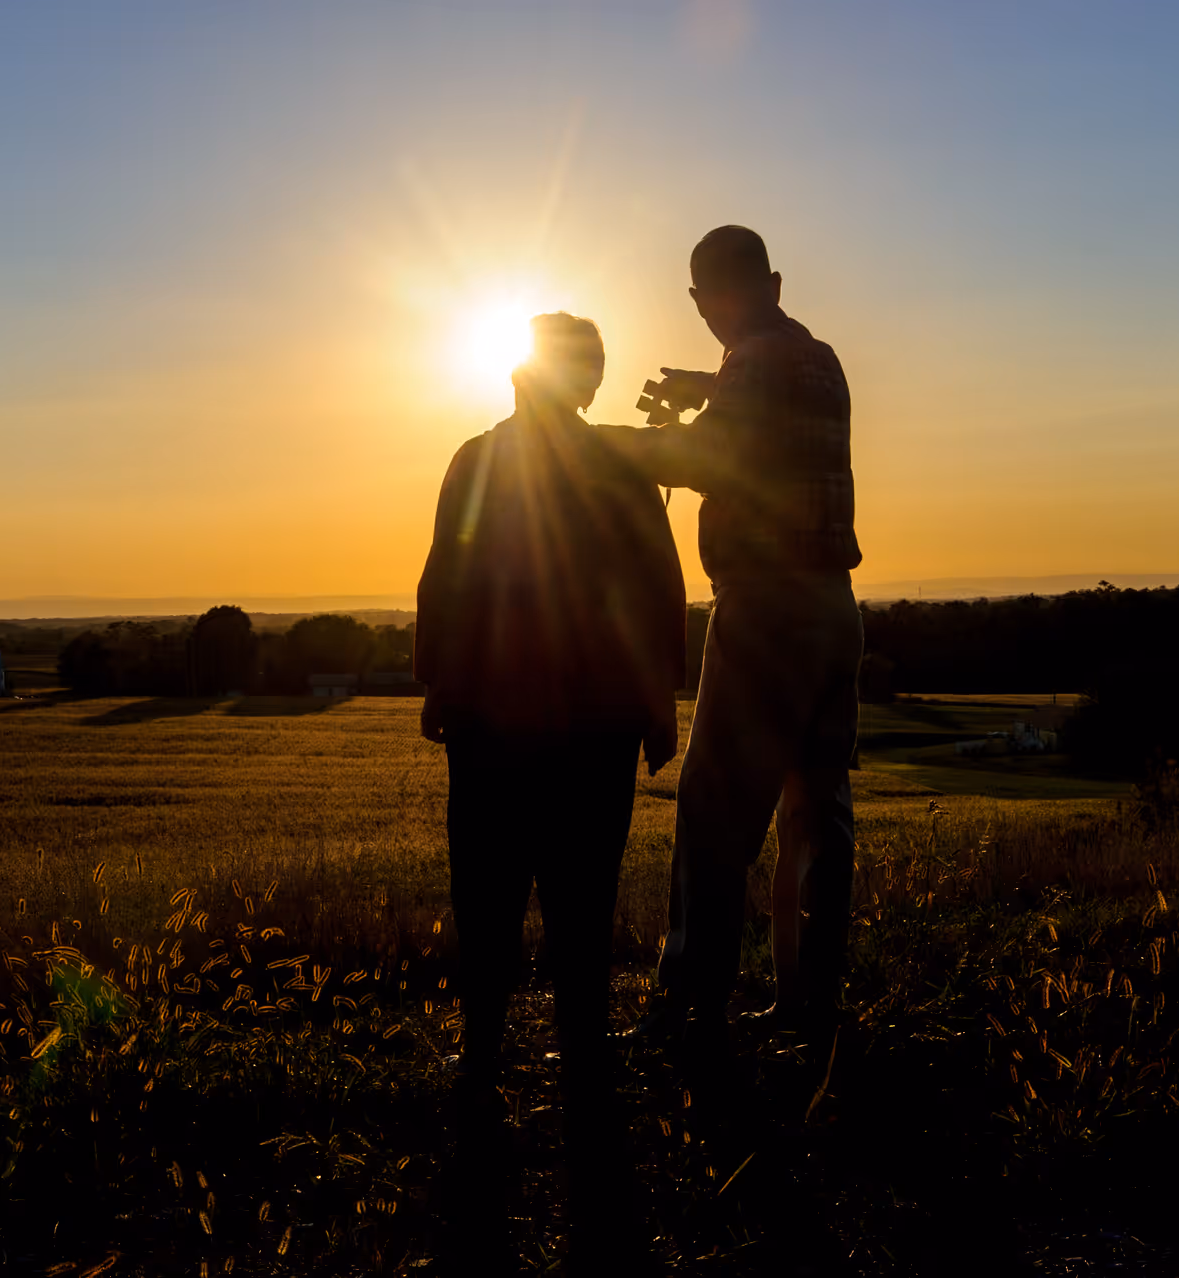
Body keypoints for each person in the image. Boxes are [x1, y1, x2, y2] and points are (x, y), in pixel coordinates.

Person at [415, 311, 686, 1269]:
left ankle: (482, 1065)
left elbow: (446, 575)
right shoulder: (619, 467)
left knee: (485, 896)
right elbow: (659, 587)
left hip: (495, 717)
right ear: (589, 380)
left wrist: (439, 681)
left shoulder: (477, 458)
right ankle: (580, 1064)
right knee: (580, 896)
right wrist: (661, 704)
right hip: (593, 723)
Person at [617, 225, 864, 1060]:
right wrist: (710, 384)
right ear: (778, 282)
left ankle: (689, 1005)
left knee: (715, 812)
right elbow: (765, 417)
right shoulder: (820, 358)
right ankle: (810, 1003)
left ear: (701, 299)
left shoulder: (750, 364)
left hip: (767, 608)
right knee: (817, 814)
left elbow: (705, 457)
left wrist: (589, 446)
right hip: (835, 606)